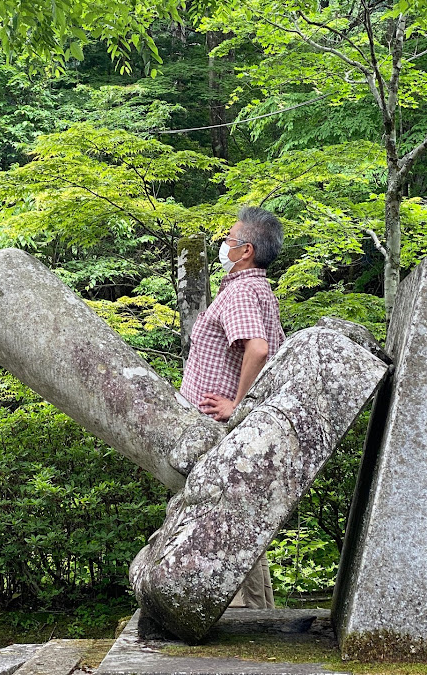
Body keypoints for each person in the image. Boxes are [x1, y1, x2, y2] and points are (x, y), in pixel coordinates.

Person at [180, 205, 285, 608]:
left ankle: (242, 615)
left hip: (217, 428)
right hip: (228, 430)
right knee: (238, 521)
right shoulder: (257, 288)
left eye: (228, 240)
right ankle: (258, 613)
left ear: (246, 251)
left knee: (223, 520)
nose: (223, 245)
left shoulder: (241, 291)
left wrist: (235, 405)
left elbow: (257, 349)